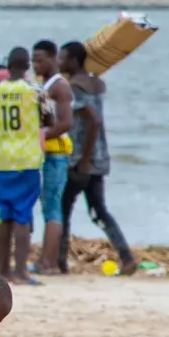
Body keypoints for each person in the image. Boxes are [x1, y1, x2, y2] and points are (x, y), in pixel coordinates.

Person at [58, 41, 137, 276]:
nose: (60, 62)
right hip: (100, 157)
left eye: (63, 58)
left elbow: (93, 120)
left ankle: (59, 261)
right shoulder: (94, 82)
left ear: (74, 60)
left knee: (63, 209)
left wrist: (84, 159)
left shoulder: (75, 86)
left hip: (81, 159)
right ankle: (126, 256)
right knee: (98, 210)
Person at [0, 48, 44, 284]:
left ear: (7, 66)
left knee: (4, 215)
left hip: (3, 159)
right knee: (23, 215)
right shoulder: (35, 90)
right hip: (27, 158)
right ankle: (20, 271)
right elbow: (48, 117)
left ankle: (3, 269)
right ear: (28, 65)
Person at [31, 40, 75, 276]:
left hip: (56, 153)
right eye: (33, 60)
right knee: (48, 206)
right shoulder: (43, 84)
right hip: (45, 152)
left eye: (39, 60)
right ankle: (47, 260)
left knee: (53, 208)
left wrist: (39, 136)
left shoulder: (60, 86)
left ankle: (48, 263)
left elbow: (66, 123)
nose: (35, 64)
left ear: (53, 58)